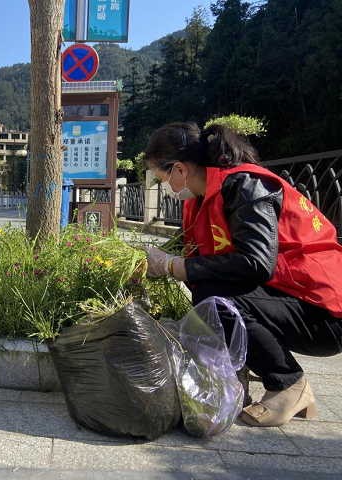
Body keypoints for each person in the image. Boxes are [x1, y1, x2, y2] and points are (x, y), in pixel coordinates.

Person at [143, 122, 342, 427]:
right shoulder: (201, 197)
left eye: (162, 178)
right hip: (292, 297)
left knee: (214, 297)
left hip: (325, 310)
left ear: (180, 169)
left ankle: (288, 384)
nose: (164, 187)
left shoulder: (246, 186)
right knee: (209, 291)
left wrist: (174, 266)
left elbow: (256, 262)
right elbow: (196, 254)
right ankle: (254, 369)